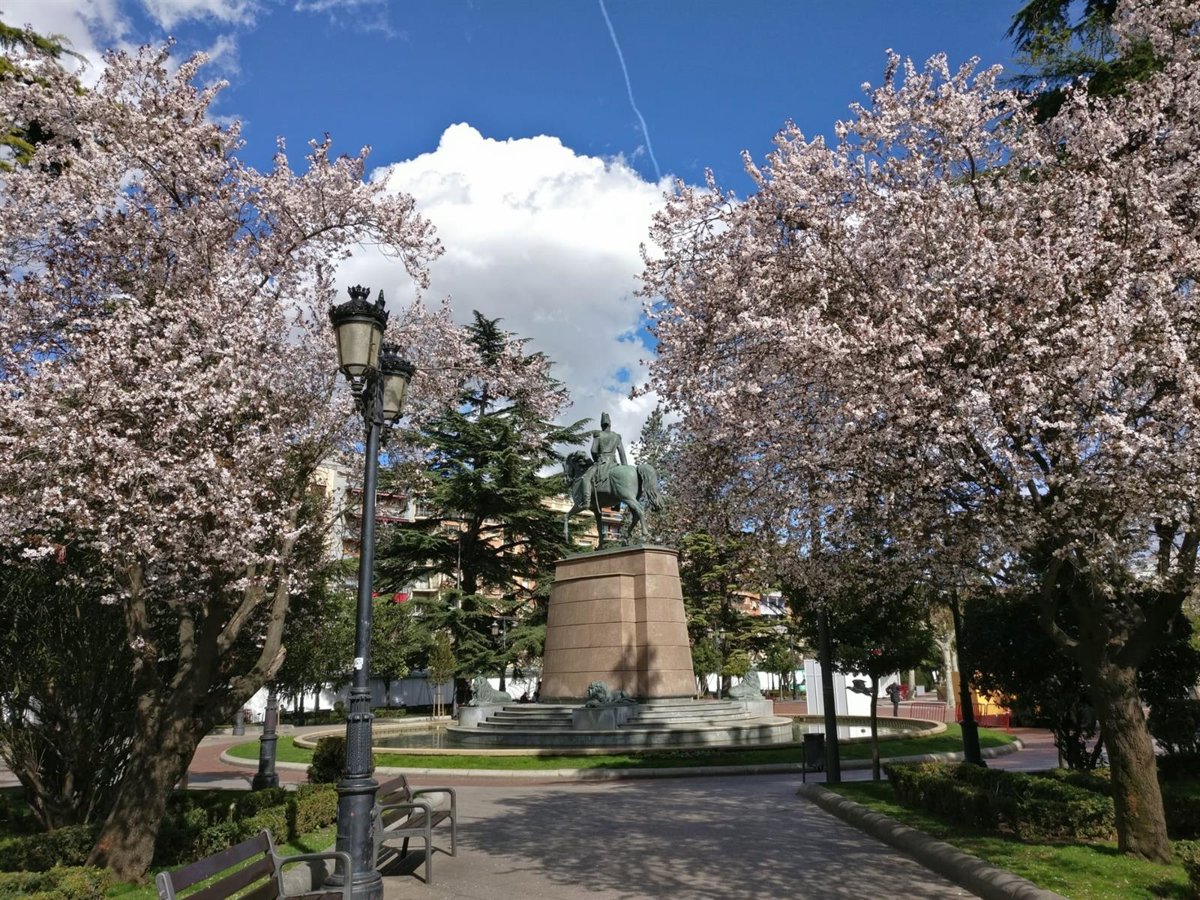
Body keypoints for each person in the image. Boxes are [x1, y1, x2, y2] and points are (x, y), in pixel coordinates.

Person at [589, 412, 627, 495]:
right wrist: (625, 467)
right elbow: (622, 454)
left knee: (587, 477)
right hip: (614, 463)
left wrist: (596, 460)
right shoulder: (616, 436)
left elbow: (593, 451)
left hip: (601, 463)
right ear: (610, 423)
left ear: (601, 424)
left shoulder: (598, 435)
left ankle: (587, 498)